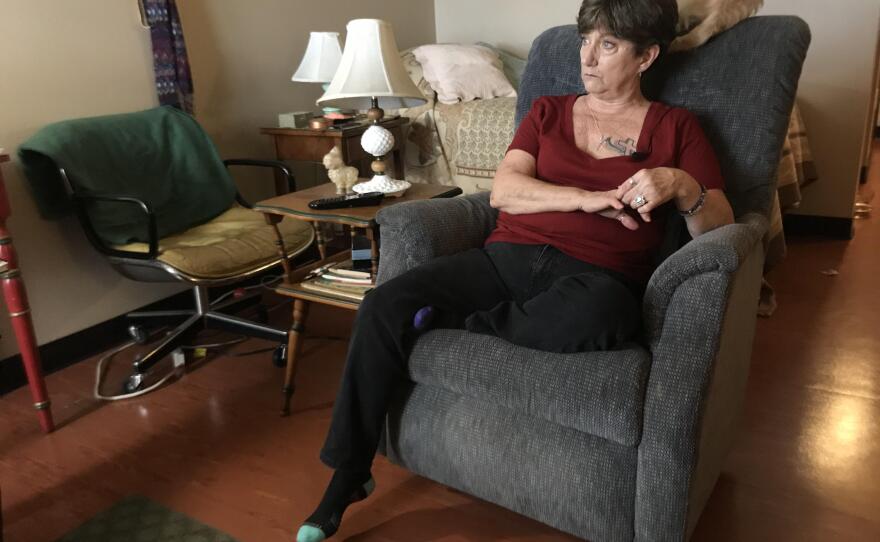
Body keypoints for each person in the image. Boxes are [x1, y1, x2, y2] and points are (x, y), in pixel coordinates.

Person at [296, 0, 734, 540]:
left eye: (609, 45)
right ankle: (349, 473)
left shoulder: (677, 128)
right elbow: (504, 192)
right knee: (382, 302)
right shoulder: (548, 111)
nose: (589, 59)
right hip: (505, 259)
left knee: (601, 312)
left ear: (646, 56)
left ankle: (455, 320)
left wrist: (683, 186)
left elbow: (719, 229)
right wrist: (585, 199)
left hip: (597, 277)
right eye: (584, 41)